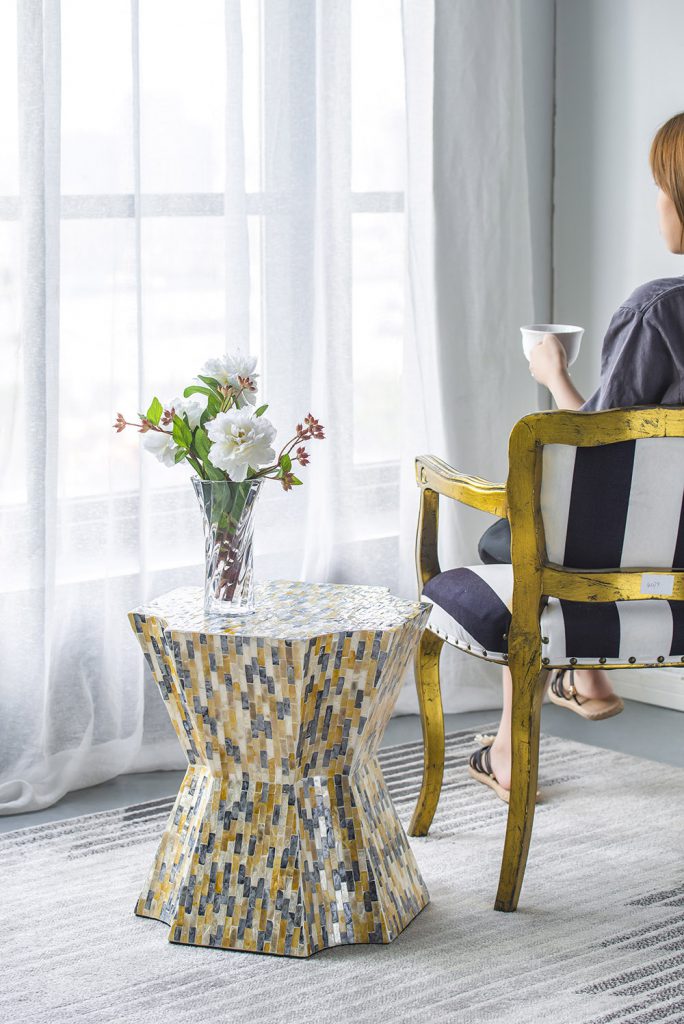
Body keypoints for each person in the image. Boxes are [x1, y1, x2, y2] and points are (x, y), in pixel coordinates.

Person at [469, 111, 684, 797]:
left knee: (512, 535)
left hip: (639, 565)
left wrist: (553, 374)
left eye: (661, 187)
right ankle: (584, 678)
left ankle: (510, 750)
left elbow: (601, 454)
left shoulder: (659, 311)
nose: (656, 205)